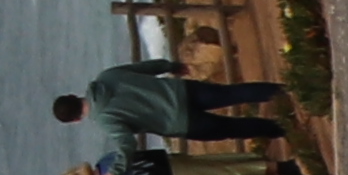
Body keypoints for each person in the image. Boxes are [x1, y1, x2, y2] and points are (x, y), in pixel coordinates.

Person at [58, 61, 304, 149]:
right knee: (233, 93)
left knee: (234, 128)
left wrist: (116, 170)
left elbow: (127, 143)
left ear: (75, 120)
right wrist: (170, 65)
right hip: (181, 91)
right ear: (73, 95)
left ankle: (284, 128)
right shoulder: (106, 77)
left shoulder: (104, 120)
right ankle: (288, 92)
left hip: (182, 123)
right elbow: (145, 68)